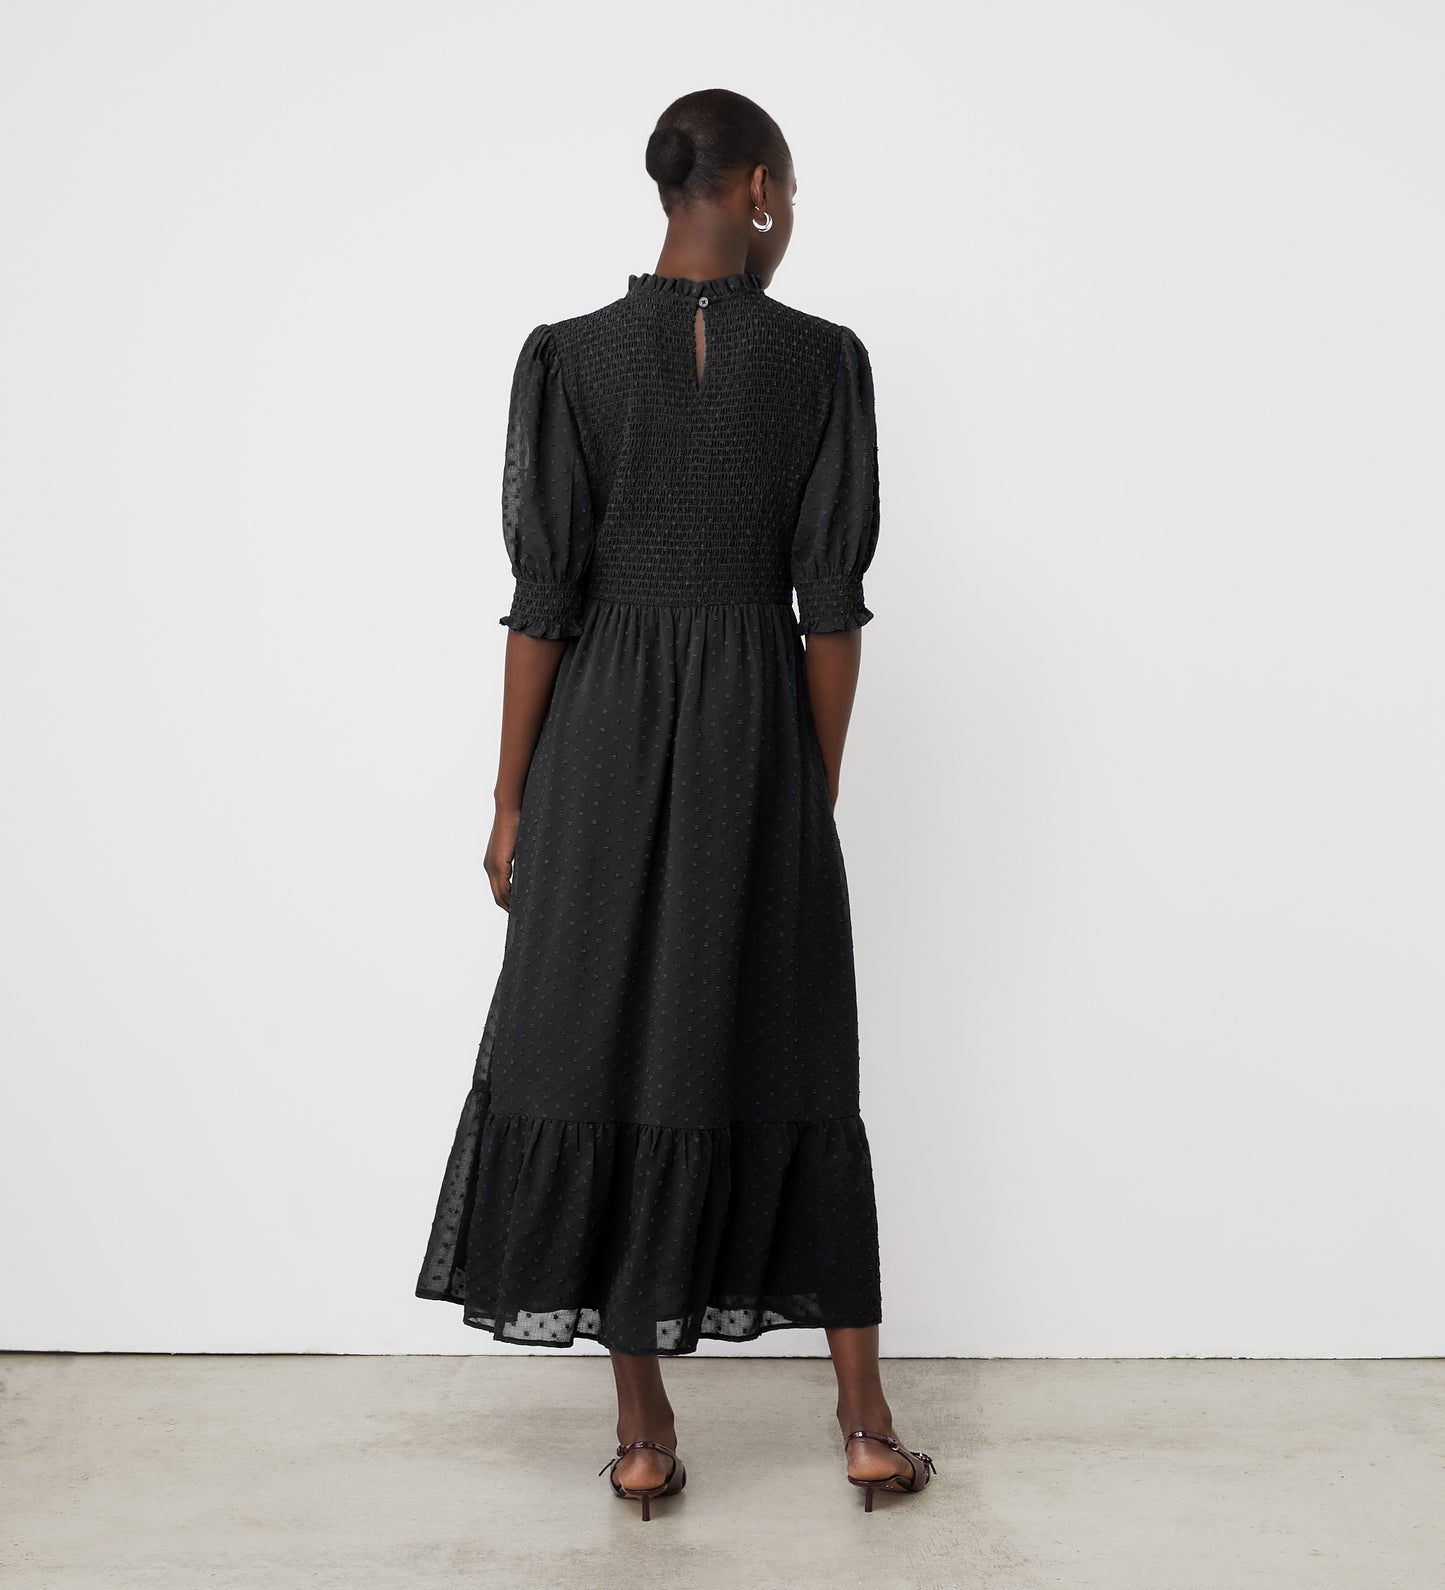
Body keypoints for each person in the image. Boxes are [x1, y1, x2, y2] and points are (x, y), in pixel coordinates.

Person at [414, 87, 935, 1517]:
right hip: (752, 736)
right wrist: (807, 779)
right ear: (755, 185)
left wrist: (510, 793)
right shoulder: (823, 361)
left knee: (594, 1047)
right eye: (790, 192)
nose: (787, 215)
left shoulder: (569, 359)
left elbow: (542, 601)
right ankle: (864, 1421)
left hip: (595, 744)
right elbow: (830, 609)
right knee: (792, 1050)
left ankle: (643, 1433)